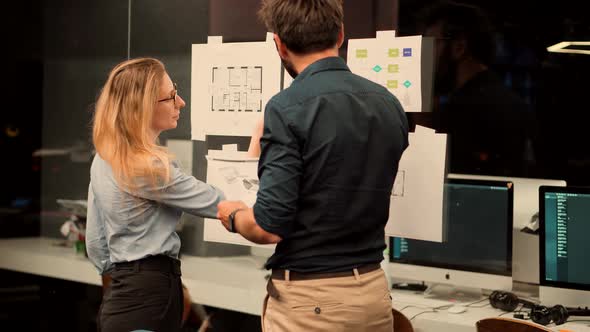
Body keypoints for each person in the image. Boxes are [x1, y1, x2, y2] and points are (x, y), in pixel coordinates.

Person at [216, 0, 409, 331]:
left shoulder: (287, 108)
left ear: (279, 44)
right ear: (341, 34)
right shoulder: (389, 104)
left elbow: (268, 227)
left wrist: (233, 216)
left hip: (312, 302)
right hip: (374, 294)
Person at [86, 57, 225, 332]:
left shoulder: (104, 159)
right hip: (150, 298)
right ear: (143, 106)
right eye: (171, 96)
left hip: (122, 300)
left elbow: (96, 243)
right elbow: (216, 202)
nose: (181, 102)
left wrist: (124, 283)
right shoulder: (148, 167)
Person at [419, 1, 534, 176]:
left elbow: (434, 177)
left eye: (432, 45)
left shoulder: (463, 110)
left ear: (459, 47)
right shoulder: (509, 100)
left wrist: (423, 126)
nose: (426, 56)